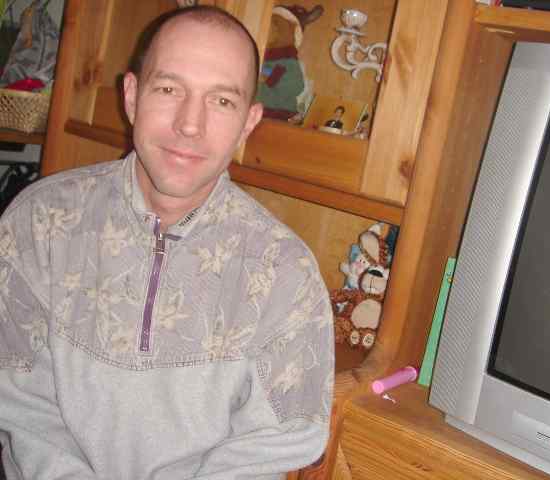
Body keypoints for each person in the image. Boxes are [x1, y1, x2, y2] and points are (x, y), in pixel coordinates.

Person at [0, 5, 334, 480]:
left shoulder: (285, 273)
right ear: (132, 96)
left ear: (248, 122)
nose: (189, 124)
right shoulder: (40, 222)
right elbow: (15, 394)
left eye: (222, 101)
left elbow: (280, 439)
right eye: (169, 89)